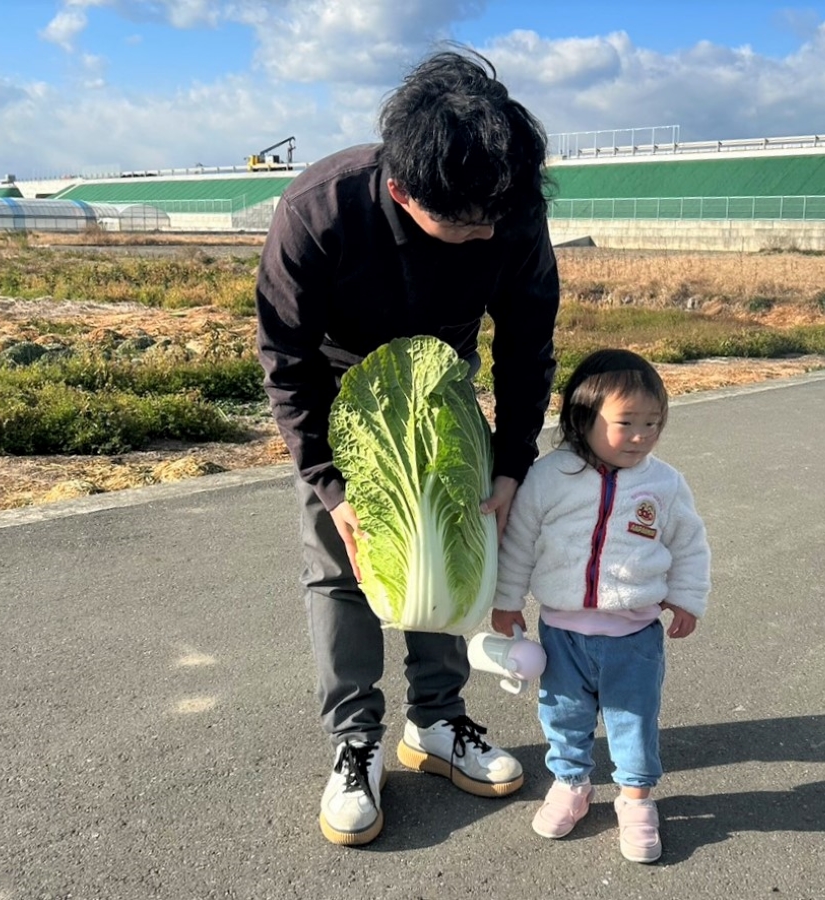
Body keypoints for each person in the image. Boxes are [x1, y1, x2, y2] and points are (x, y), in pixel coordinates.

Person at [255, 47, 560, 846]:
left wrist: (510, 463)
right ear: (402, 188)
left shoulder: (509, 204)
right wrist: (332, 484)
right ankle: (353, 742)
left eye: (500, 213)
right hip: (338, 384)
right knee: (342, 565)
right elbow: (283, 360)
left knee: (448, 536)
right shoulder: (318, 208)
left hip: (443, 381)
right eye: (467, 223)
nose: (490, 230)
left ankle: (438, 722)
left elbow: (528, 340)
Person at [491, 349, 711, 863]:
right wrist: (506, 602)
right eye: (626, 422)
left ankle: (636, 799)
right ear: (583, 418)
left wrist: (686, 599)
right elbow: (520, 541)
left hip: (634, 635)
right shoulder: (549, 477)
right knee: (563, 713)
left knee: (633, 717)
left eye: (653, 422)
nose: (642, 435)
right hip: (561, 632)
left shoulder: (664, 484)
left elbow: (689, 545)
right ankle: (571, 782)